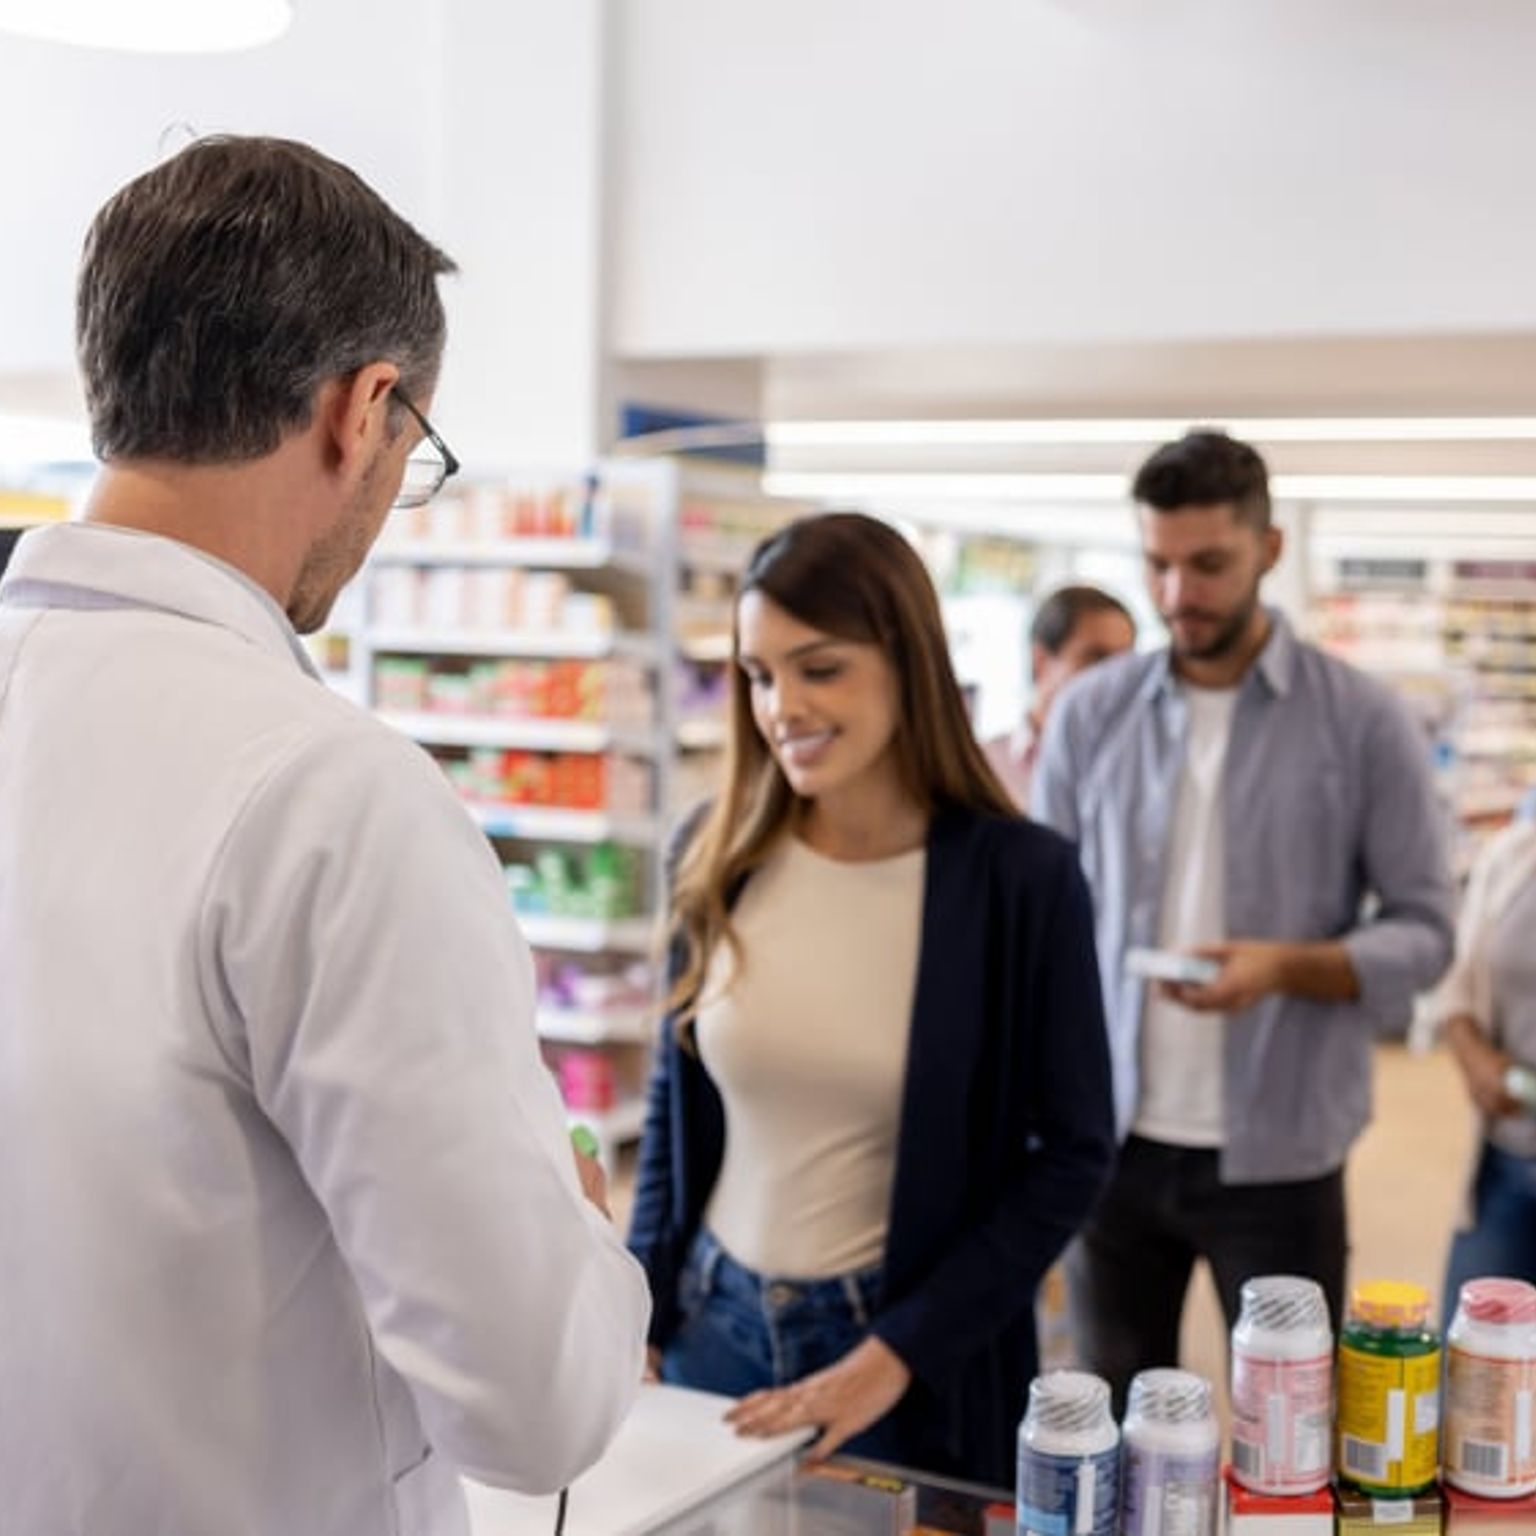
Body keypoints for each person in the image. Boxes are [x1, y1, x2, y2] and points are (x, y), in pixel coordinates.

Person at [0, 137, 648, 1536]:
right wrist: (584, 1250)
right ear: (365, 410)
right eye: (413, 452)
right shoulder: (329, 797)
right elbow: (532, 1407)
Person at [627, 511, 1116, 1487]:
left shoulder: (1021, 882)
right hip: (708, 1334)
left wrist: (892, 1356)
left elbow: (1073, 1153)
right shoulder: (714, 852)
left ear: (908, 661)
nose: (782, 707)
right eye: (760, 676)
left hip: (901, 1367)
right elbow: (673, 1106)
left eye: (820, 669)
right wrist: (632, 1303)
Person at [1032, 429, 1454, 1405]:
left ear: (1269, 549)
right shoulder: (1092, 716)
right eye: (1158, 565)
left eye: (1209, 564)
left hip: (1281, 1151)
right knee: (1118, 1421)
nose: (1178, 594)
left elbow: (1428, 930)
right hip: (1112, 1139)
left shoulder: (1362, 722)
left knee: (1289, 1429)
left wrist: (1287, 967)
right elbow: (1044, 923)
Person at [1433, 819, 1536, 1318]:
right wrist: (1475, 1059)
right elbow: (1456, 984)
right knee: (1475, 1375)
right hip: (1506, 1162)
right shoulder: (1514, 854)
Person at [982, 583, 1136, 808]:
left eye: (1125, 664)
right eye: (1097, 659)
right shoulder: (983, 768)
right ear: (1040, 661)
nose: (1115, 678)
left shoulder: (1136, 772)